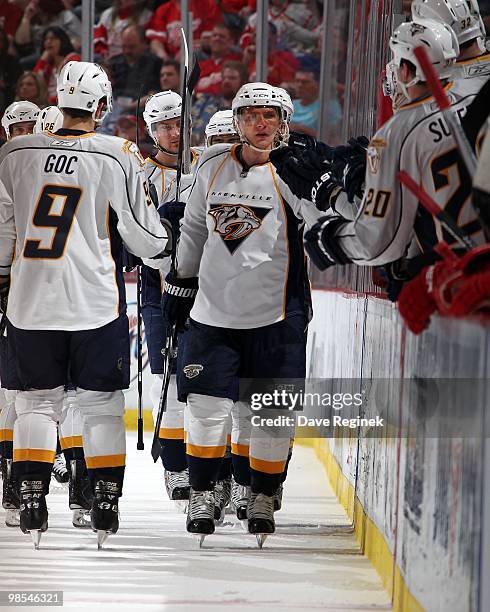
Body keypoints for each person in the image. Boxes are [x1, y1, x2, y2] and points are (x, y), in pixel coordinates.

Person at [0, 61, 172, 549]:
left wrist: (2, 280)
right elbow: (141, 236)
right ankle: (104, 500)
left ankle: (31, 495)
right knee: (100, 406)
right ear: (100, 106)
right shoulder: (117, 153)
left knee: (36, 400)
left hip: (29, 303)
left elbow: (3, 230)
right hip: (94, 305)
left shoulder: (13, 152)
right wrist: (168, 244)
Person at [161, 82, 322, 545]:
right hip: (213, 312)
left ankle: (263, 494)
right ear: (237, 121)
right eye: (251, 115)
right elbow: (193, 228)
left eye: (270, 116)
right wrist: (181, 279)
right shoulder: (211, 164)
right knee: (206, 407)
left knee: (268, 411)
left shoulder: (293, 172)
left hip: (276, 315)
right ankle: (203, 493)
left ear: (284, 123)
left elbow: (318, 225)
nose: (261, 123)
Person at [295, 21, 485, 287]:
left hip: (456, 279)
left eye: (397, 60)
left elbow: (380, 241)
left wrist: (328, 239)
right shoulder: (477, 100)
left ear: (406, 69)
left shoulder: (395, 134)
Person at [142, 91, 201, 512]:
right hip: (158, 291)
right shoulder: (141, 175)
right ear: (151, 131)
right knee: (169, 379)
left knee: (207, 383)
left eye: (178, 123)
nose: (173, 132)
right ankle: (176, 464)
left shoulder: (211, 165)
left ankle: (211, 469)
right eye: (164, 125)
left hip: (209, 293)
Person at [0, 98, 40, 527]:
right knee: (9, 392)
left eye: (31, 126)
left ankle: (18, 471)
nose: (24, 134)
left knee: (22, 391)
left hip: (28, 294)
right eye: (17, 128)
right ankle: (10, 470)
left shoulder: (43, 173)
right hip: (9, 289)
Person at [192, 60, 248, 145]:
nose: (226, 81)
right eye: (224, 78)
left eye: (232, 78)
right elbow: (187, 125)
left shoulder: (247, 108)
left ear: (243, 81)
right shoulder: (205, 101)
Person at [109, 25, 162, 113]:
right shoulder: (113, 63)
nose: (127, 51)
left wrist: (132, 106)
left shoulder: (155, 63)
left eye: (131, 47)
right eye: (124, 47)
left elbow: (155, 94)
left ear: (144, 44)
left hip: (142, 110)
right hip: (114, 109)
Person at [33, 26, 80, 104]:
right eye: (46, 39)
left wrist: (51, 100)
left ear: (62, 41)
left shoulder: (73, 59)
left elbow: (73, 88)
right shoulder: (48, 65)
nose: (48, 42)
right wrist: (42, 61)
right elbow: (34, 81)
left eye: (53, 38)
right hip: (49, 105)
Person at [194, 24, 242, 97]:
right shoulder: (200, 66)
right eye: (214, 35)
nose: (217, 38)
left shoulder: (238, 62)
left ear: (231, 42)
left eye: (222, 36)